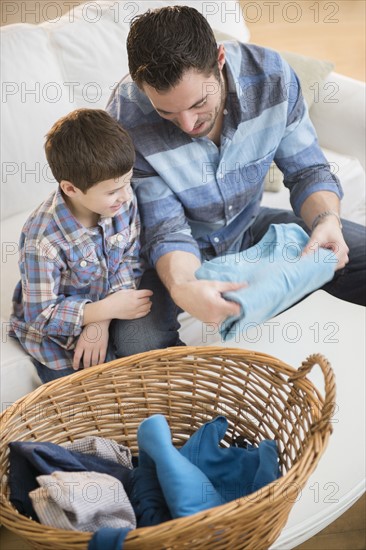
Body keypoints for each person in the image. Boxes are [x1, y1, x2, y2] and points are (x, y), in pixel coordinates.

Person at [107, 5, 366, 347]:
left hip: (248, 226)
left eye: (199, 103)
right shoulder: (126, 119)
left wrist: (327, 220)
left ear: (219, 58)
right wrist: (185, 287)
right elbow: (165, 230)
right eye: (167, 112)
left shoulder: (271, 77)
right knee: (137, 345)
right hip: (167, 258)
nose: (187, 125)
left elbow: (308, 171)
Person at [9, 108, 176, 383]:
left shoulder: (121, 201)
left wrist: (102, 319)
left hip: (109, 309)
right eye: (112, 191)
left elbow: (129, 259)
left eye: (127, 182)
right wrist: (101, 311)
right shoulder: (42, 240)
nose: (125, 196)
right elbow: (40, 315)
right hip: (57, 342)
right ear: (70, 189)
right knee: (87, 402)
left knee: (147, 371)